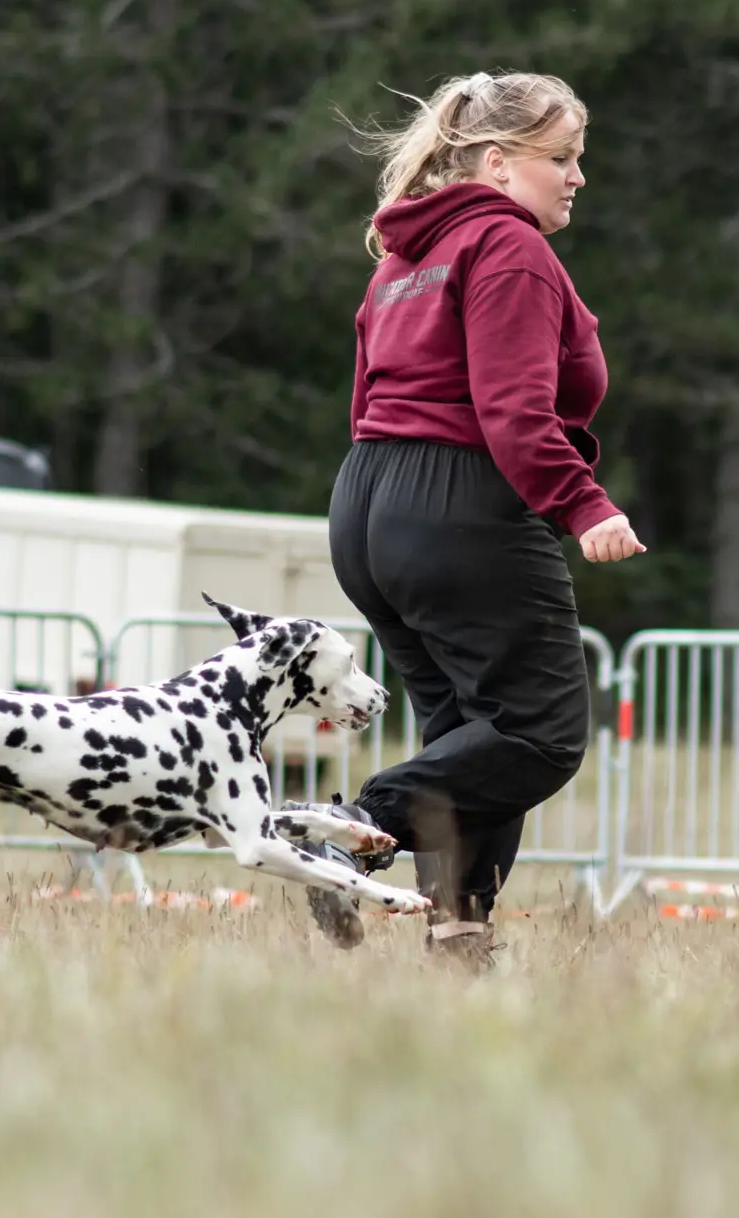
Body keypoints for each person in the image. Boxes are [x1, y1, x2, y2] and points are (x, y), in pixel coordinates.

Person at [283, 70, 645, 967]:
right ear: (495, 162)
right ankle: (351, 827)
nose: (577, 176)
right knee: (539, 733)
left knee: (470, 739)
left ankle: (460, 938)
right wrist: (584, 503)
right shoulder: (508, 248)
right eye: (560, 157)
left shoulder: (403, 258)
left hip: (369, 504)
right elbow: (514, 411)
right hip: (461, 505)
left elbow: (370, 398)